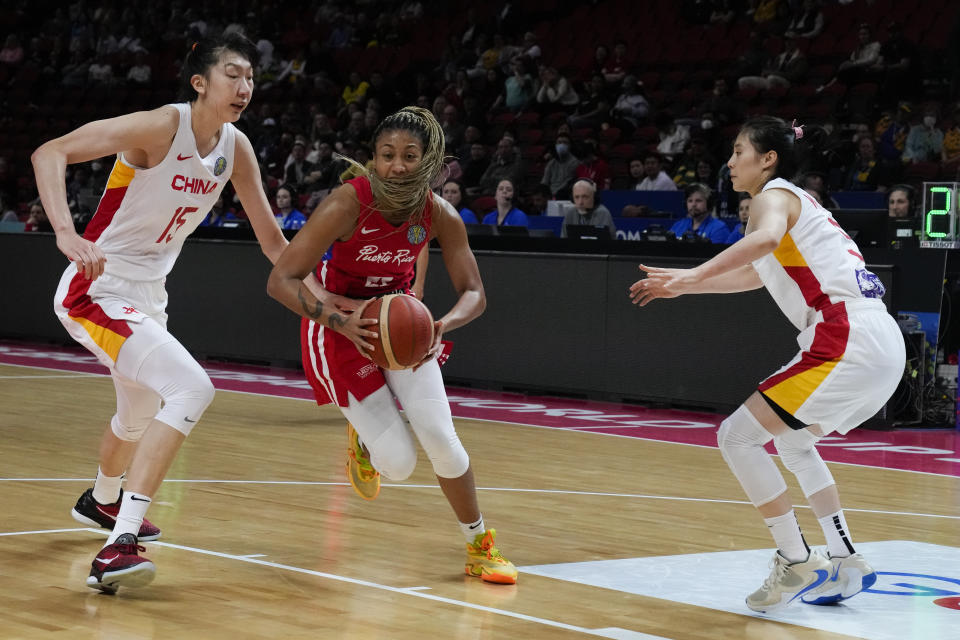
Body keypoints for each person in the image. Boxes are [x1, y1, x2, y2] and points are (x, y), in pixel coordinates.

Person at [33, 33, 320, 594]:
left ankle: (102, 500)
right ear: (200, 83)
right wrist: (66, 233)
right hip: (97, 287)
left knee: (137, 420)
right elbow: (51, 151)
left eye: (251, 78)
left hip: (148, 297)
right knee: (191, 388)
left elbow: (273, 243)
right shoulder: (161, 126)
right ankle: (118, 546)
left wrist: (327, 306)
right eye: (233, 75)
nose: (244, 87)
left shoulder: (235, 148)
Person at [630, 116, 905, 613]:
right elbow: (755, 276)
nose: (730, 162)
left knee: (736, 436)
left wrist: (692, 271)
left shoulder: (772, 197)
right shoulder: (798, 203)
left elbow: (761, 242)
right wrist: (684, 285)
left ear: (768, 158)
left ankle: (795, 557)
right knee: (794, 441)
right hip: (880, 340)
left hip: (845, 335)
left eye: (738, 152)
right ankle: (845, 559)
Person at [266, 106, 517, 585]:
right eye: (386, 155)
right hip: (338, 326)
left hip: (400, 324)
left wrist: (441, 324)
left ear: (429, 161)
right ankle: (364, 438)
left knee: (443, 440)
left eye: (408, 155)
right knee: (399, 466)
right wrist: (337, 321)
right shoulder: (346, 203)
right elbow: (281, 279)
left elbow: (475, 293)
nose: (396, 165)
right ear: (373, 160)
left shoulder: (438, 214)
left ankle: (480, 545)